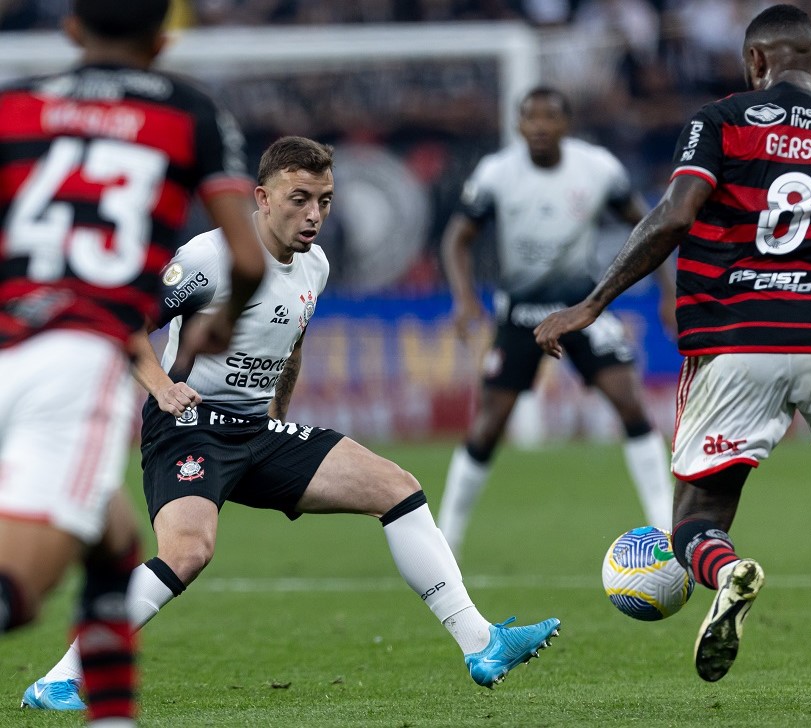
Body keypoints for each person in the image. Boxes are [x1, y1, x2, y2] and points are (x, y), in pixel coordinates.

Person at [535, 5, 811, 725]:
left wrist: (590, 303)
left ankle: (725, 568)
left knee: (695, 524)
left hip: (735, 343)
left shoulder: (721, 119)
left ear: (755, 63)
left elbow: (675, 215)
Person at [23, 135, 561, 711]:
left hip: (257, 431)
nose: (314, 215)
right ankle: (62, 678)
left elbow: (292, 343)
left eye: (325, 201)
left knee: (398, 489)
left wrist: (280, 416)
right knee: (188, 550)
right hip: (190, 426)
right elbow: (125, 321)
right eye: (300, 198)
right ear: (261, 197)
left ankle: (480, 643)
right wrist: (162, 386)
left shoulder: (317, 265)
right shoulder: (210, 259)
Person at [0, 1, 266, 725]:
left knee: (117, 547)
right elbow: (248, 257)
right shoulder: (187, 111)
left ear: (71, 31)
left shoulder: (14, 106)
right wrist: (221, 325)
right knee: (17, 591)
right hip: (76, 358)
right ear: (162, 39)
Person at [437, 85, 675, 559]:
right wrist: (465, 299)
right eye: (531, 118)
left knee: (629, 402)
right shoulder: (496, 174)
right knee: (488, 426)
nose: (541, 126)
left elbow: (650, 225)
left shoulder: (598, 168)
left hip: (580, 306)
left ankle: (667, 528)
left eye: (550, 118)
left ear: (566, 124)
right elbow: (457, 237)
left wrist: (669, 291)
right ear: (518, 124)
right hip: (520, 311)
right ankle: (445, 539)